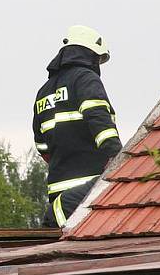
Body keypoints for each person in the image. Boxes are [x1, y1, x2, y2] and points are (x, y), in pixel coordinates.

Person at [32, 25, 121, 227]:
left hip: (57, 193)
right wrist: (119, 159)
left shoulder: (44, 92)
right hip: (89, 188)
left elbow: (41, 145)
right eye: (98, 59)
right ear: (89, 54)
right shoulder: (85, 79)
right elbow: (100, 121)